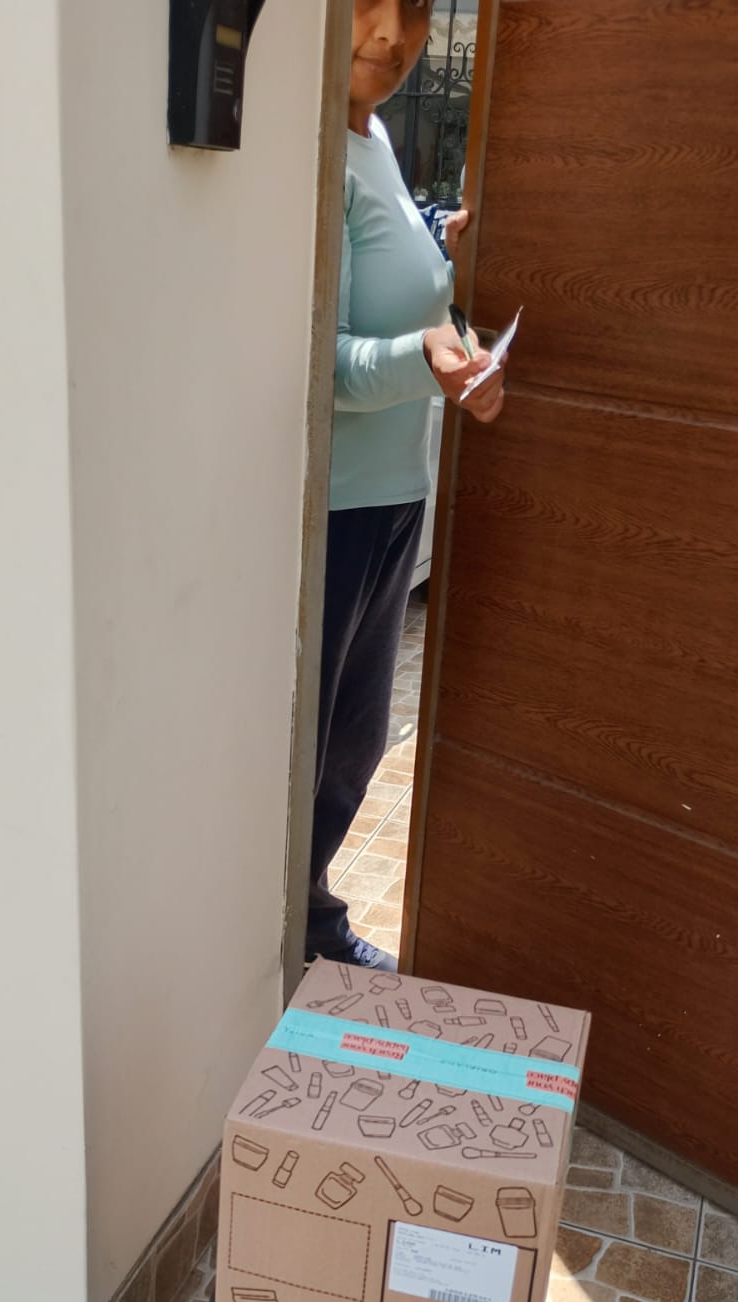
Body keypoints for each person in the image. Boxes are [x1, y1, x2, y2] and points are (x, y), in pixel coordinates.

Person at [306, 0, 505, 974]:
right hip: (331, 511)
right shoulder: (307, 153)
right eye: (368, 5)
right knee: (307, 756)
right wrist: (424, 356)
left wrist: (438, 239)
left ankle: (305, 925)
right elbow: (322, 362)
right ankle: (282, 940)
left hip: (391, 499)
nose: (391, 35)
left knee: (354, 746)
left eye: (415, 9)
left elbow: (387, 284)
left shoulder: (373, 135)